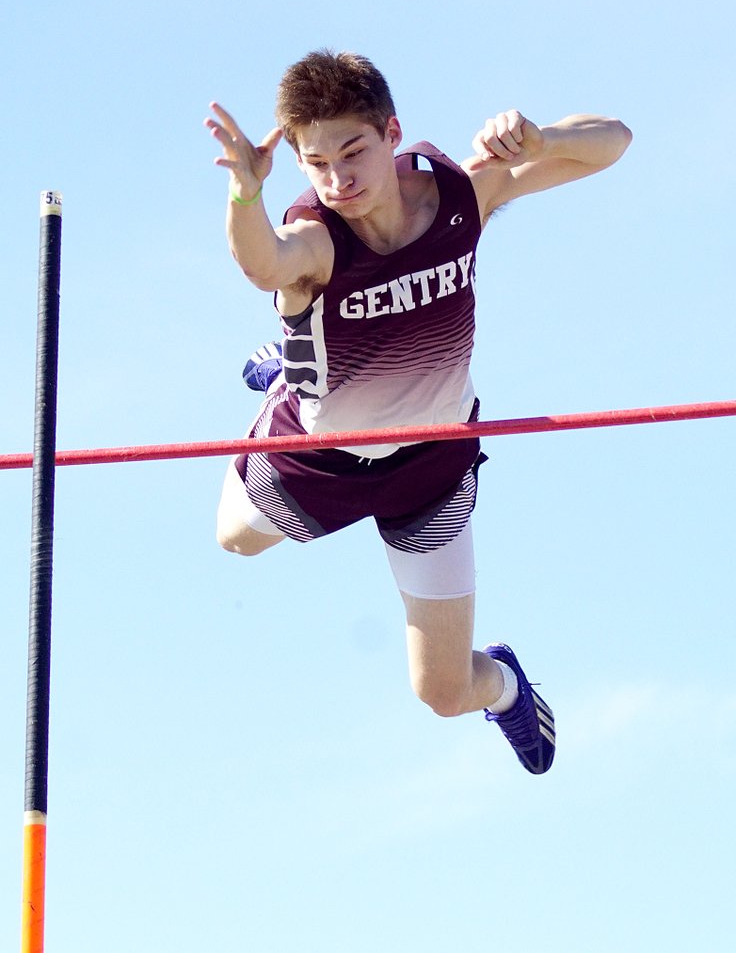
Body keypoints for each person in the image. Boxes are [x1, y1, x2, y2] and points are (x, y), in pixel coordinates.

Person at [205, 50, 631, 775]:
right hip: (323, 455)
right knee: (233, 538)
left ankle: (506, 685)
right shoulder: (316, 239)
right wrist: (246, 194)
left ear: (392, 132)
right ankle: (296, 368)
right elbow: (262, 264)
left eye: (354, 151)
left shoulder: (464, 193)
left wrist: (546, 141)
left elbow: (615, 140)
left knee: (442, 690)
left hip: (430, 463)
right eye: (317, 164)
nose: (339, 178)